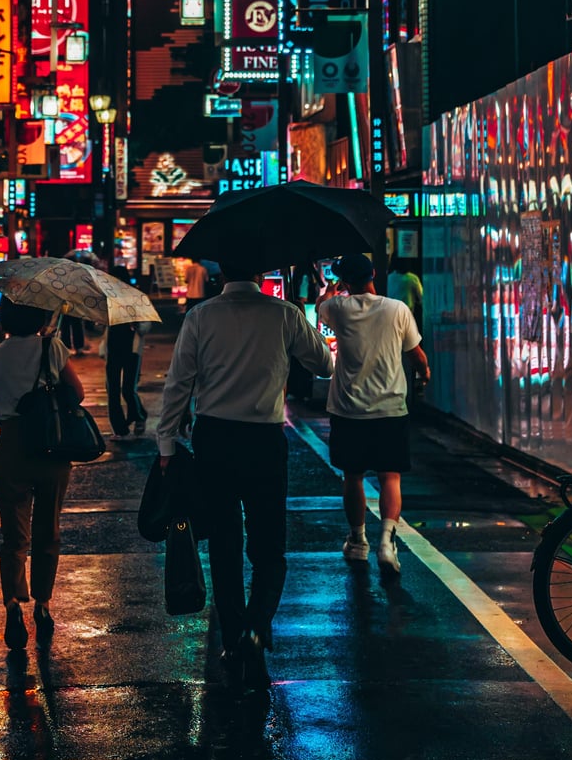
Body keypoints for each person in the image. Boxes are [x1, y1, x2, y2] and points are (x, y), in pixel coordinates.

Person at [157, 260, 334, 690]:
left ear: (221, 273)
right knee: (269, 546)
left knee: (224, 542)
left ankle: (234, 636)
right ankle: (258, 626)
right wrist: (300, 315)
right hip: (265, 442)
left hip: (214, 439)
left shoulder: (200, 316)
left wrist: (166, 444)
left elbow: (179, 382)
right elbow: (325, 365)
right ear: (261, 271)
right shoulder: (284, 314)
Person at [0, 296, 86, 650]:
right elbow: (78, 393)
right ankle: (42, 604)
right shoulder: (52, 347)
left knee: (14, 534)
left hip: (11, 447)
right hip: (50, 445)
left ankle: (13, 603)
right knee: (48, 529)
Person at [318, 252, 430, 581]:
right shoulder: (397, 309)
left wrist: (330, 289)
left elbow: (320, 306)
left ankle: (358, 540)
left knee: (352, 477)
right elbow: (416, 355)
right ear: (373, 277)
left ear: (346, 282)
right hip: (390, 407)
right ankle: (387, 542)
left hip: (348, 408)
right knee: (389, 476)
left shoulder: (337, 307)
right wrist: (424, 373)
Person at [106, 319, 148, 439]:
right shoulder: (111, 304)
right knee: (113, 390)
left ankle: (139, 416)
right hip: (112, 350)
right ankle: (119, 429)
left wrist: (136, 325)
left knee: (128, 389)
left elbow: (146, 326)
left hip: (132, 351)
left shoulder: (135, 304)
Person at [386, 257, 424, 330]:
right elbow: (422, 298)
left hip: (390, 317)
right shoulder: (412, 278)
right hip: (406, 318)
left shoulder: (389, 278)